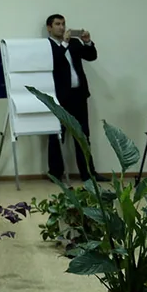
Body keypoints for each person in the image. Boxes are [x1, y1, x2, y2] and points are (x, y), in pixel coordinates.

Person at [45, 14, 98, 181]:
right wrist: (65, 43)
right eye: (57, 24)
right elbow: (55, 61)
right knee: (56, 135)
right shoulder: (46, 46)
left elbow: (91, 56)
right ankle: (55, 173)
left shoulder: (74, 43)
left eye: (63, 24)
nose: (61, 27)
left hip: (78, 96)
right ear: (49, 28)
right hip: (59, 98)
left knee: (83, 135)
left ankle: (88, 173)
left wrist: (87, 42)